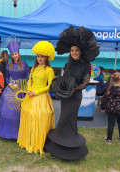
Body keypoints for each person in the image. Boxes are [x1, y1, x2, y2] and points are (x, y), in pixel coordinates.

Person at [44, 26, 99, 160]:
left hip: (74, 98)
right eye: (72, 50)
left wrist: (71, 90)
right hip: (65, 98)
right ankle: (63, 145)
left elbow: (85, 83)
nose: (74, 52)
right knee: (66, 119)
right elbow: (64, 80)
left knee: (65, 119)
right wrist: (60, 89)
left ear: (81, 52)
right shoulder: (67, 65)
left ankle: (64, 147)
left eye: (77, 50)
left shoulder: (86, 65)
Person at [17, 41, 55, 155]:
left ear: (46, 57)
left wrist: (36, 92)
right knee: (29, 114)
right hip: (30, 97)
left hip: (42, 97)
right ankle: (29, 141)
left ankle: (40, 143)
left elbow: (50, 86)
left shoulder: (49, 70)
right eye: (38, 56)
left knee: (41, 116)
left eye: (42, 56)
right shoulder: (33, 68)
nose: (39, 58)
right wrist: (29, 89)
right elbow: (29, 81)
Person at [0, 39, 29, 139]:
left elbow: (27, 77)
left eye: (16, 54)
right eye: (13, 54)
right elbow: (7, 77)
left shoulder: (25, 65)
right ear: (11, 55)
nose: (14, 56)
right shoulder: (8, 66)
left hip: (21, 90)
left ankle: (18, 133)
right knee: (7, 111)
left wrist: (19, 83)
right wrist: (9, 84)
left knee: (18, 112)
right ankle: (5, 132)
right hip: (9, 90)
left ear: (19, 54)